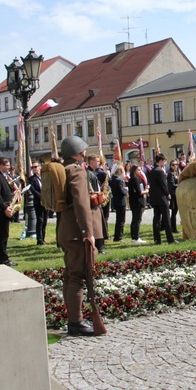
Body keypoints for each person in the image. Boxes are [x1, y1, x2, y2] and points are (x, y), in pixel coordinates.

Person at [57, 136, 104, 336]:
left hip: (66, 230)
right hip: (77, 233)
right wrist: (88, 232)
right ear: (77, 153)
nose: (85, 153)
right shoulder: (76, 170)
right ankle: (75, 322)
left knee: (70, 275)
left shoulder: (65, 169)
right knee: (78, 276)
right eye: (83, 150)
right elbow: (81, 202)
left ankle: (73, 318)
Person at [0, 157, 17, 266]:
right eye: (7, 165)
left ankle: (3, 257)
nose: (9, 167)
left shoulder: (3, 176)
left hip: (5, 209)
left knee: (4, 234)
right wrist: (5, 207)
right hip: (0, 211)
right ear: (1, 165)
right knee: (1, 235)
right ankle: (3, 258)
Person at [147, 153, 175, 244]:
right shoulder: (160, 171)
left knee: (156, 218)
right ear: (161, 161)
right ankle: (170, 239)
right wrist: (168, 194)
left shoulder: (152, 171)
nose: (165, 163)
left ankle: (157, 239)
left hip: (155, 198)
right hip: (162, 198)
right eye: (164, 161)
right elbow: (164, 185)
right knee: (166, 219)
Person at [86, 154, 108, 253]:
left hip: (97, 202)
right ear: (91, 162)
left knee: (99, 226)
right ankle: (98, 248)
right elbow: (90, 190)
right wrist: (99, 196)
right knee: (97, 227)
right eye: (97, 161)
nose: (99, 163)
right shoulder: (88, 173)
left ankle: (100, 247)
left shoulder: (92, 173)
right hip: (94, 203)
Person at [27, 160, 48, 245]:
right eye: (32, 167)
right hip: (38, 201)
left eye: (35, 167)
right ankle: (39, 239)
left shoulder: (44, 177)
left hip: (46, 202)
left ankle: (43, 237)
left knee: (45, 220)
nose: (34, 169)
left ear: (40, 167)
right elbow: (33, 190)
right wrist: (41, 197)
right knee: (40, 220)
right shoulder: (31, 179)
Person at [128, 164, 148, 243]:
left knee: (134, 219)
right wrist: (146, 191)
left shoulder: (132, 179)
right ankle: (136, 237)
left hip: (134, 202)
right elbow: (139, 192)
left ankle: (133, 236)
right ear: (134, 171)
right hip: (137, 202)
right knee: (137, 220)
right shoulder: (135, 179)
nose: (140, 172)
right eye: (138, 170)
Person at [110, 164, 128, 241]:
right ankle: (118, 236)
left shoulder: (112, 179)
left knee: (118, 219)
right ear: (120, 172)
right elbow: (122, 191)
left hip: (116, 201)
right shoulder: (118, 181)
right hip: (121, 202)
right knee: (121, 220)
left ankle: (117, 235)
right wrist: (126, 190)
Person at [167, 159, 180, 233]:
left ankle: (173, 227)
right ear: (170, 166)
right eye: (173, 165)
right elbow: (171, 185)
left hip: (176, 193)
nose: (175, 166)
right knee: (174, 212)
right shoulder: (170, 174)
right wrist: (180, 185)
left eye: (176, 164)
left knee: (175, 212)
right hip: (173, 194)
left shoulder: (176, 173)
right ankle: (173, 228)